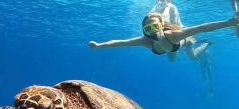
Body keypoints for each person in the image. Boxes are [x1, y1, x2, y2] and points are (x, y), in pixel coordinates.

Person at [89, 13, 238, 57]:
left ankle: (205, 44)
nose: (153, 31)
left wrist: (229, 22)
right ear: (144, 30)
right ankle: (167, 9)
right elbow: (121, 42)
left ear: (161, 26)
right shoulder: (145, 41)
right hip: (167, 50)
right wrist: (99, 46)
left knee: (192, 57)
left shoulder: (173, 35)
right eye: (148, 28)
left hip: (181, 43)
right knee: (172, 60)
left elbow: (201, 27)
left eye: (156, 26)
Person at [152, 0, 214, 96]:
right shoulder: (157, 8)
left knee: (192, 57)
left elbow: (166, 20)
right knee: (172, 58)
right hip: (172, 36)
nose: (159, 1)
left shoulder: (171, 7)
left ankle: (205, 44)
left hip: (181, 34)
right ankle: (198, 44)